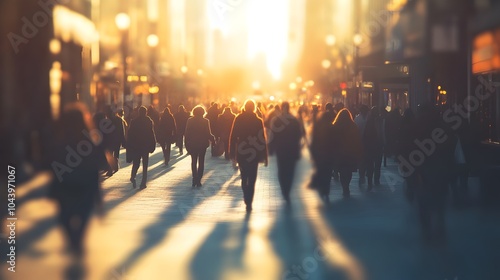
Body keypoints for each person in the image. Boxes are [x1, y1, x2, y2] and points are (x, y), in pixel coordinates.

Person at [50, 103, 105, 257]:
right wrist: (98, 198)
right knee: (82, 216)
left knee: (65, 217)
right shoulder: (90, 142)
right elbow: (95, 169)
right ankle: (77, 242)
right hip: (85, 186)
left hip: (65, 186)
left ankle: (74, 242)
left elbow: (53, 165)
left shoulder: (59, 140)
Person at [230, 99, 268, 212]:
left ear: (245, 107)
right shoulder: (258, 120)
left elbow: (233, 137)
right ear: (254, 108)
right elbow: (262, 140)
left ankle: (246, 195)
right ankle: (249, 200)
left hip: (242, 153)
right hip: (254, 152)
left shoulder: (238, 118)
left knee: (244, 176)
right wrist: (264, 156)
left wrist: (232, 154)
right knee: (252, 178)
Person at [269, 102, 303, 203]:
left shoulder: (276, 120)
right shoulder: (294, 120)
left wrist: (271, 148)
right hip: (292, 149)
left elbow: (272, 135)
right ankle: (287, 189)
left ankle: (284, 189)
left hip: (281, 149)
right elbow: (299, 134)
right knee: (290, 170)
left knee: (281, 169)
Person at [330, 108, 363, 197]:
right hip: (350, 152)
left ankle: (344, 186)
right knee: (348, 171)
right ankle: (346, 185)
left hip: (339, 153)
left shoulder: (335, 126)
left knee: (341, 170)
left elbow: (331, 141)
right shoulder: (353, 126)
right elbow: (357, 140)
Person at [184, 105, 215, 187]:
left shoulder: (190, 120)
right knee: (201, 162)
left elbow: (187, 133)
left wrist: (186, 143)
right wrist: (213, 140)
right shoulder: (205, 121)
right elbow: (208, 133)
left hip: (192, 144)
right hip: (202, 144)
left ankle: (194, 178)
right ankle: (199, 179)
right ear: (203, 112)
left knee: (193, 161)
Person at [127, 106, 156, 189]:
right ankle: (143, 183)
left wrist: (130, 145)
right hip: (145, 146)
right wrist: (153, 145)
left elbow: (130, 135)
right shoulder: (149, 121)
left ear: (139, 112)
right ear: (146, 112)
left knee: (136, 163)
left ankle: (133, 176)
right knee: (145, 165)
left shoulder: (134, 122)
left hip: (136, 146)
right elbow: (151, 134)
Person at [362, 106, 384, 190]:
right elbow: (382, 133)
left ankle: (370, 182)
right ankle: (376, 180)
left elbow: (365, 135)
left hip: (370, 147)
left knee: (370, 165)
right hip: (378, 145)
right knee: (377, 164)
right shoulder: (380, 121)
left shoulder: (369, 121)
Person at [104, 106, 126, 175]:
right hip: (117, 140)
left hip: (109, 140)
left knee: (109, 154)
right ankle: (115, 167)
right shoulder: (119, 120)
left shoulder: (107, 121)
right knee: (116, 154)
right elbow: (122, 131)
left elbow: (104, 132)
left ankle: (110, 169)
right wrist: (123, 140)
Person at [354, 105, 370, 184]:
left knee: (362, 160)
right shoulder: (368, 119)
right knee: (364, 159)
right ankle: (363, 173)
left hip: (360, 142)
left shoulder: (357, 119)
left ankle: (362, 174)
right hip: (364, 142)